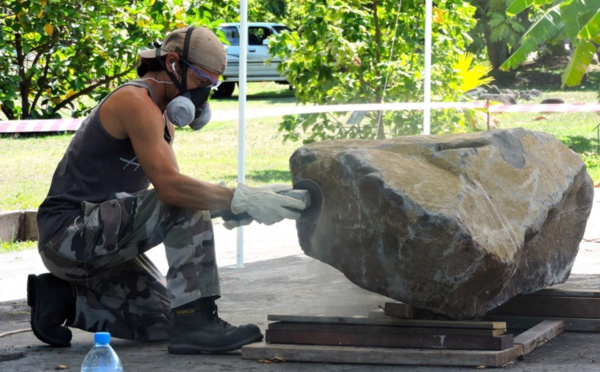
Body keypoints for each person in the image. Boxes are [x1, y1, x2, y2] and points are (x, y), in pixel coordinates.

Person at [27, 26, 305, 354]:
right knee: (180, 218)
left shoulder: (162, 115)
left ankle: (61, 299)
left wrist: (244, 204)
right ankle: (198, 322)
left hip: (101, 238)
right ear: (174, 63)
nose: (204, 96)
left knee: (165, 318)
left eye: (211, 86)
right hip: (66, 236)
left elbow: (171, 193)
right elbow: (172, 191)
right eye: (202, 83)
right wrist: (239, 198)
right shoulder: (134, 101)